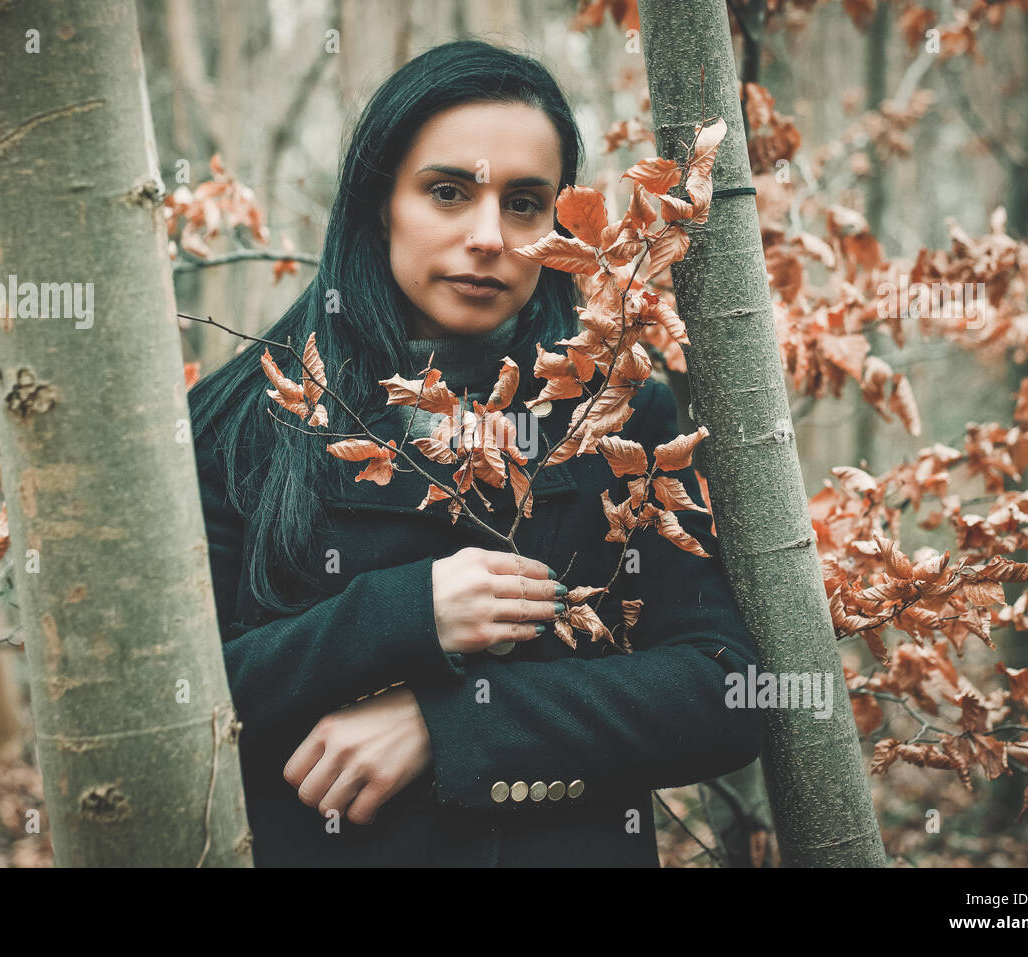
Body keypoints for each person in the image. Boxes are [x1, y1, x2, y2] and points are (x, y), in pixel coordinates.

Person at [189, 38, 762, 867]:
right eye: (448, 192)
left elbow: (723, 689)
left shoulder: (614, 411)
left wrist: (448, 723)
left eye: (526, 203)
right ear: (379, 201)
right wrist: (402, 613)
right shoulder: (243, 416)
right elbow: (182, 700)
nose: (488, 236)